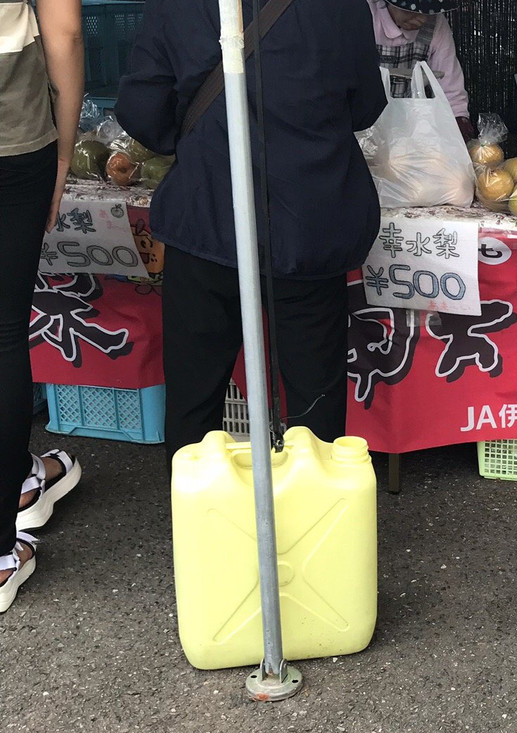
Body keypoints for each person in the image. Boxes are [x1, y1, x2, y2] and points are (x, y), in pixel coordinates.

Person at [114, 0, 387, 463]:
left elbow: (142, 108)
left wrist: (199, 141)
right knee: (314, 407)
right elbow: (364, 105)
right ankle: (315, 522)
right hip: (309, 221)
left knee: (194, 403)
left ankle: (203, 526)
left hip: (207, 217)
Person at [0, 0, 84, 612]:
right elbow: (66, 30)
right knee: (4, 333)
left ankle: (25, 477)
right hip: (11, 131)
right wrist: (62, 152)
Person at [366, 0, 474, 140]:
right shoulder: (365, 15)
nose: (421, 18)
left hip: (411, 126)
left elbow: (449, 81)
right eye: (411, 10)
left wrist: (458, 119)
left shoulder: (435, 24)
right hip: (366, 122)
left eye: (428, 12)